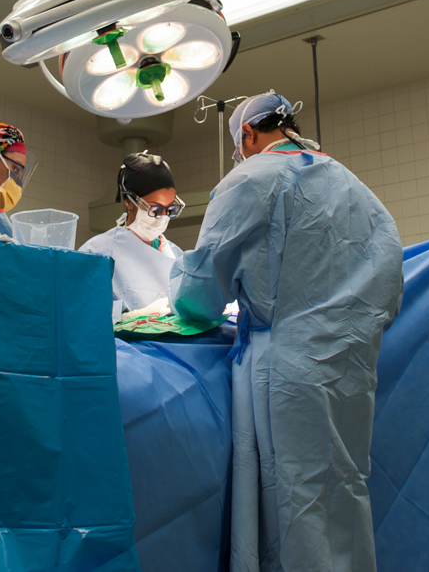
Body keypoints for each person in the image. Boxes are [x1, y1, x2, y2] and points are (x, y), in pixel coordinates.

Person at [169, 91, 404, 572]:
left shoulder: (251, 178)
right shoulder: (353, 186)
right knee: (345, 487)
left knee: (295, 502)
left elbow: (201, 290)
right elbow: (389, 284)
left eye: (240, 147)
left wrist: (187, 304)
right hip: (350, 367)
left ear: (248, 135)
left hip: (287, 371)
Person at [79, 151, 186, 312]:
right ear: (129, 203)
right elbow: (82, 309)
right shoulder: (96, 252)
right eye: (155, 209)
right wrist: (128, 318)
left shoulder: (176, 256)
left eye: (170, 209)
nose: (163, 217)